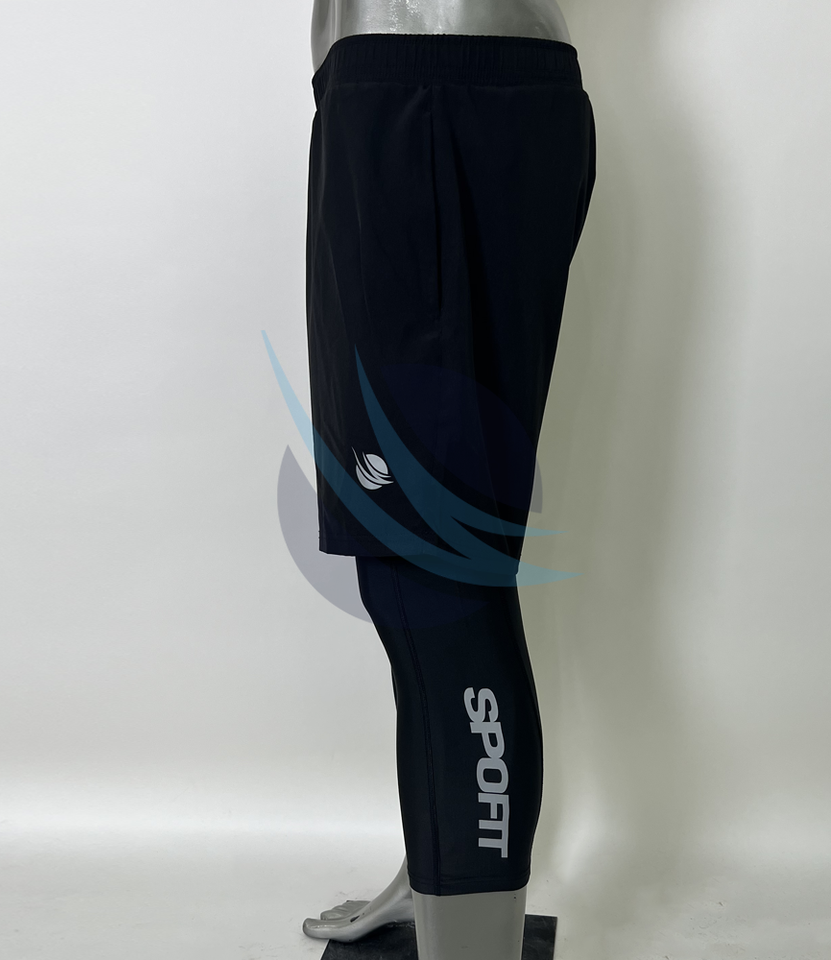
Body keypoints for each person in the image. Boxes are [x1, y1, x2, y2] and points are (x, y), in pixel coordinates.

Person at [300, 2, 596, 957]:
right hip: (410, 91)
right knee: (411, 563)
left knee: (436, 575)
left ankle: (470, 933)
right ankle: (437, 876)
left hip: (428, 89)